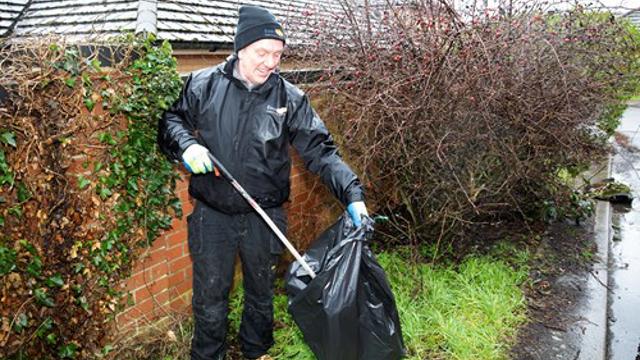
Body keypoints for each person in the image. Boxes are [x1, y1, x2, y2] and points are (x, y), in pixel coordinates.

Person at [157, 5, 368, 360]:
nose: (271, 62)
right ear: (240, 48)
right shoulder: (203, 85)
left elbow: (321, 152)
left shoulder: (290, 99)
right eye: (262, 52)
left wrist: (352, 193)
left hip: (265, 216)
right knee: (210, 297)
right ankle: (208, 355)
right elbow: (171, 120)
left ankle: (256, 352)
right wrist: (187, 145)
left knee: (261, 293)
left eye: (277, 54)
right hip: (214, 215)